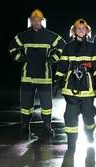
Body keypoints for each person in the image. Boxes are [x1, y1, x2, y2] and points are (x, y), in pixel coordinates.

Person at [8, 9, 66, 139]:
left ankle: (47, 126)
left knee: (46, 105)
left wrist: (52, 59)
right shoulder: (23, 36)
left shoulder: (50, 36)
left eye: (38, 20)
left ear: (42, 21)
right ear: (30, 21)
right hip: (27, 76)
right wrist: (21, 58)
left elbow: (62, 46)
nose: (36, 22)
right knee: (25, 105)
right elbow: (12, 47)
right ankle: (25, 125)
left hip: (44, 77)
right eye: (33, 20)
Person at [54, 19, 96, 148]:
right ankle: (71, 142)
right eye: (78, 28)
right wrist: (57, 80)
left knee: (88, 115)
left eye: (83, 28)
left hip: (88, 87)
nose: (81, 30)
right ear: (74, 31)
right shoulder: (68, 47)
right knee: (70, 116)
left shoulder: (93, 47)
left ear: (87, 30)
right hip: (71, 88)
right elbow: (63, 65)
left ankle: (89, 133)